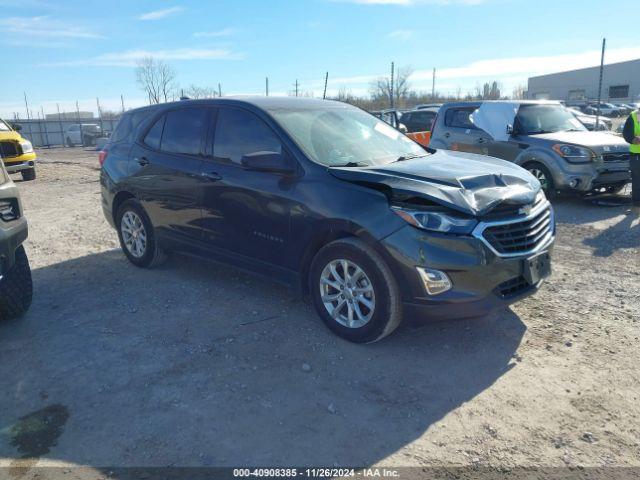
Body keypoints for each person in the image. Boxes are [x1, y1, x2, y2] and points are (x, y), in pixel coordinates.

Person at [622, 107, 640, 206]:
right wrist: (632, 139)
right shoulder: (635, 115)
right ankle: (637, 205)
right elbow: (626, 133)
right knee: (637, 180)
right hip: (636, 154)